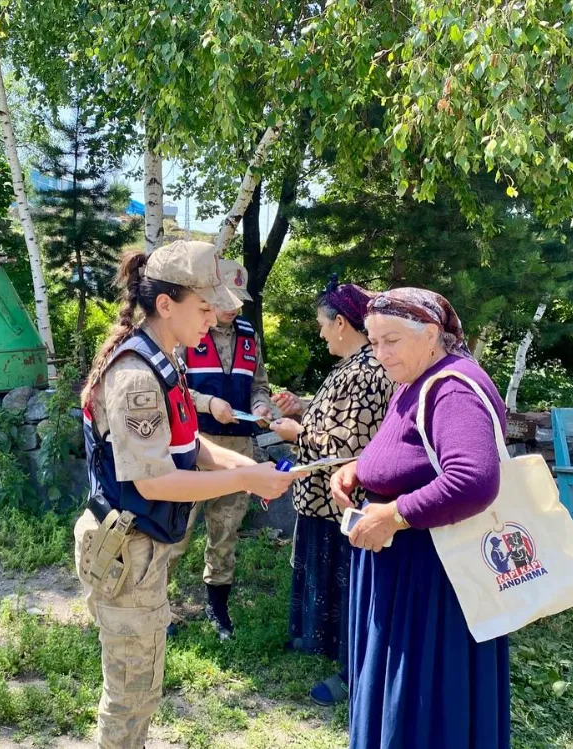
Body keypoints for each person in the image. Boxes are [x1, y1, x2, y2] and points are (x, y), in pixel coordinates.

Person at [75, 240, 296, 749]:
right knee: (130, 697)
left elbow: (188, 443)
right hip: (127, 553)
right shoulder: (137, 375)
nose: (212, 318)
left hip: (144, 546)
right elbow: (154, 481)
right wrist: (247, 480)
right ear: (166, 304)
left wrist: (248, 467)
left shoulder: (165, 361)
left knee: (142, 688)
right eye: (203, 307)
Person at [329, 288, 511, 749]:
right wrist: (359, 469)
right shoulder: (417, 379)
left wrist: (393, 515)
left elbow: (473, 480)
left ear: (431, 334)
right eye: (374, 342)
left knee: (422, 706)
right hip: (408, 576)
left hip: (430, 584)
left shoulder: (452, 388)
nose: (380, 354)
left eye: (391, 340)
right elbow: (410, 454)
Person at [267, 279, 392, 707]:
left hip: (342, 504)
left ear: (341, 323)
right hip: (325, 502)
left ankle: (353, 672)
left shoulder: (367, 371)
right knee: (330, 583)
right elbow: (337, 419)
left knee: (349, 591)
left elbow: (352, 448)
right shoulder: (353, 365)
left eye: (323, 324)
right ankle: (324, 646)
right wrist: (303, 407)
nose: (320, 333)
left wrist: (295, 433)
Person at [169, 259, 274, 640]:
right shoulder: (187, 334)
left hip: (238, 447)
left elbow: (259, 383)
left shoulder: (248, 335)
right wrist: (208, 404)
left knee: (226, 531)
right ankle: (156, 605)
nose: (234, 307)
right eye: (227, 299)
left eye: (239, 301)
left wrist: (261, 405)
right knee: (177, 530)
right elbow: (174, 387)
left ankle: (218, 608)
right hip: (193, 448)